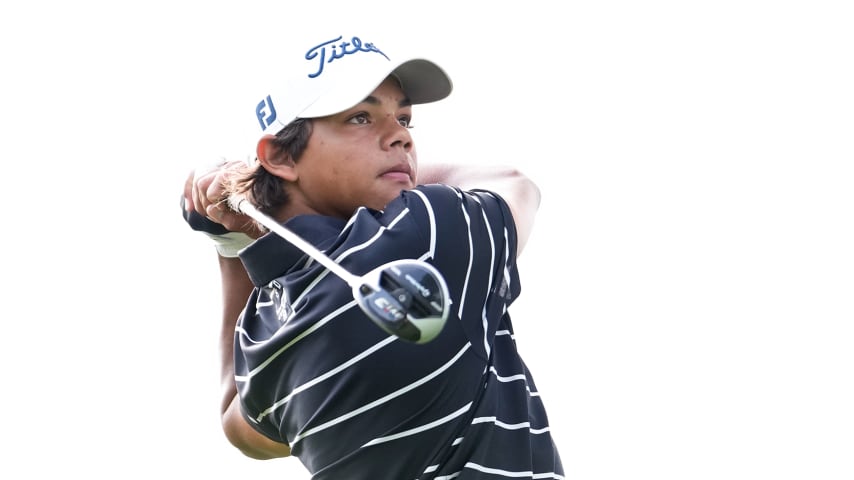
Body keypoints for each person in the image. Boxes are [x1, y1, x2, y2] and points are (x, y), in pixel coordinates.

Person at [181, 32, 564, 479]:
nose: (400, 136)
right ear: (280, 157)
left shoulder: (263, 330)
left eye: (404, 119)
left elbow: (238, 423)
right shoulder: (425, 233)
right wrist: (400, 178)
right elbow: (513, 183)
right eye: (361, 118)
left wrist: (231, 240)